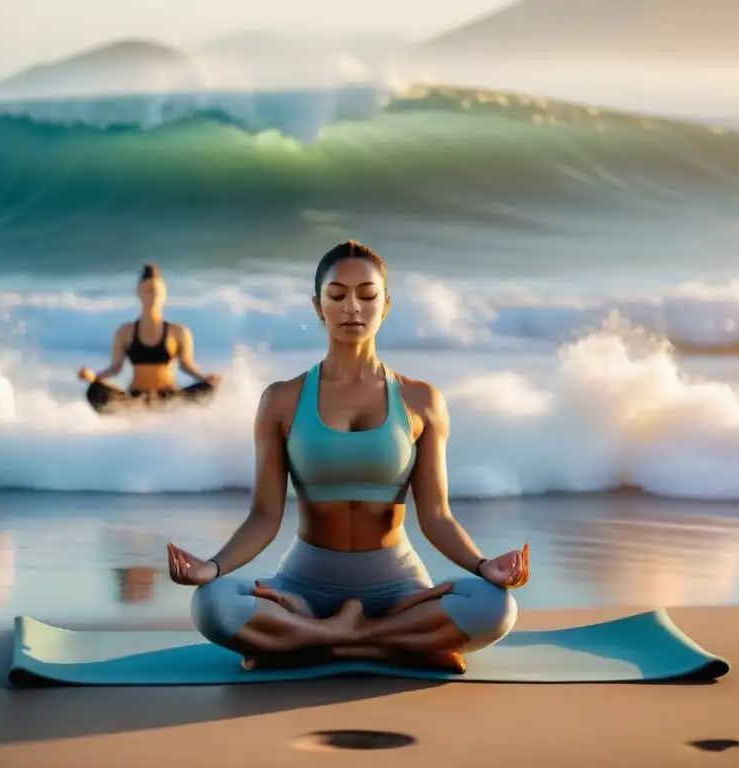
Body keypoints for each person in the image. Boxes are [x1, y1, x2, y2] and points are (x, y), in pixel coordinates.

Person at [166, 241, 528, 674]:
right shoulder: (282, 400)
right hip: (304, 588)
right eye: (337, 295)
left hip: (399, 590)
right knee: (211, 604)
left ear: (386, 306)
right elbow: (264, 515)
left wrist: (485, 566)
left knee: (494, 608)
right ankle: (372, 641)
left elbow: (436, 516)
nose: (352, 307)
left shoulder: (421, 400)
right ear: (318, 306)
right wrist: (213, 566)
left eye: (367, 295)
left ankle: (318, 640)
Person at [78, 263, 221, 413]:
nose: (152, 296)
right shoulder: (125, 331)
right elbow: (115, 367)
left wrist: (205, 378)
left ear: (164, 295)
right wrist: (94, 377)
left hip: (169, 397)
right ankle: (129, 414)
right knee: (94, 391)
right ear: (139, 293)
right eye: (147, 291)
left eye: (156, 291)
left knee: (208, 389)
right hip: (135, 398)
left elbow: (186, 364)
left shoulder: (178, 332)